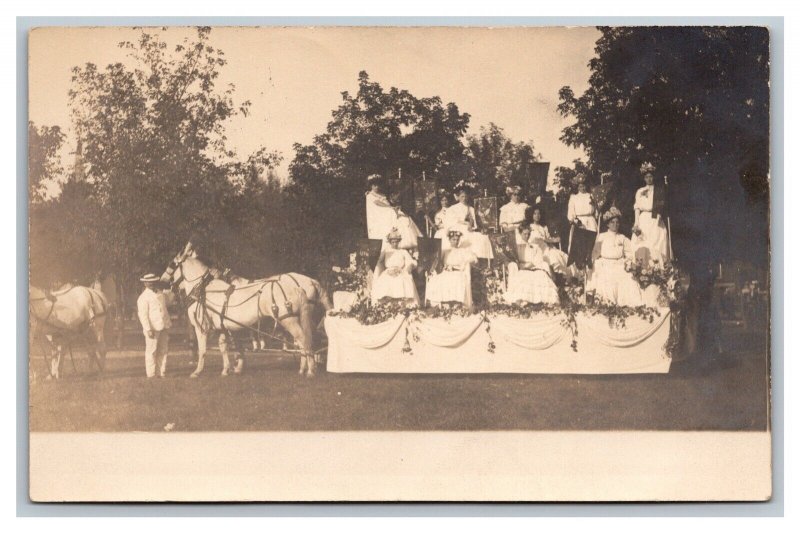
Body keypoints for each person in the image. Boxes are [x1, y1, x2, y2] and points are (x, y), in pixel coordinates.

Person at [590, 208, 643, 307]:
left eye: (617, 222)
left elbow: (629, 255)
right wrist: (593, 262)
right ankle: (608, 305)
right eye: (612, 222)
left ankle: (627, 305)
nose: (615, 225)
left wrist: (628, 263)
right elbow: (595, 253)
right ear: (608, 224)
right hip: (605, 264)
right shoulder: (601, 237)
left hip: (619, 264)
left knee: (628, 278)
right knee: (607, 279)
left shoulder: (622, 238)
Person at [505, 223, 560, 305]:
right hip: (520, 268)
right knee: (523, 276)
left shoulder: (534, 247)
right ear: (520, 233)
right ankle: (521, 299)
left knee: (541, 275)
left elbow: (537, 261)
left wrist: (529, 265)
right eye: (525, 234)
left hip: (533, 267)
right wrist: (520, 266)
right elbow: (513, 260)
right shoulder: (516, 247)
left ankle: (546, 300)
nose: (527, 236)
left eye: (528, 234)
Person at [364, 174, 422, 250]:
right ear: (371, 186)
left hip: (386, 210)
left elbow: (387, 203)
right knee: (392, 213)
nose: (376, 187)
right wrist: (390, 207)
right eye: (374, 185)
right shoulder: (370, 195)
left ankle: (406, 240)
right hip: (379, 213)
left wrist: (393, 207)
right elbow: (377, 203)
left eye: (378, 185)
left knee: (402, 216)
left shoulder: (381, 194)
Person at [425, 229, 478, 307]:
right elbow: (436, 260)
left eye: (457, 239)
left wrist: (465, 262)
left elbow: (474, 259)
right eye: (453, 239)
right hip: (446, 272)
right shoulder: (445, 251)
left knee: (455, 280)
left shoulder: (462, 251)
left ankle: (456, 303)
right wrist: (431, 268)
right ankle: (444, 303)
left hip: (458, 273)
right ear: (449, 240)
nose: (456, 241)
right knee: (438, 279)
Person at [439, 183, 494, 259]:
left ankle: (479, 258)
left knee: (482, 237)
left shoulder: (471, 208)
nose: (464, 198)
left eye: (465, 196)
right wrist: (465, 223)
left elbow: (475, 222)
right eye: (462, 196)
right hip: (457, 228)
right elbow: (450, 221)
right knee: (465, 237)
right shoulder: (453, 208)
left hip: (470, 229)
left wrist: (472, 225)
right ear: (458, 197)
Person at [632, 161, 670, 264]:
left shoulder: (659, 190)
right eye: (647, 177)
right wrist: (636, 223)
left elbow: (663, 205)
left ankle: (659, 268)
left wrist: (660, 215)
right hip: (643, 219)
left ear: (653, 177)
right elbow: (637, 207)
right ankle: (642, 268)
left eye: (651, 176)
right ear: (644, 178)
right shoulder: (640, 191)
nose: (649, 179)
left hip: (655, 218)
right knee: (643, 242)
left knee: (657, 241)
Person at [371, 228, 421, 305]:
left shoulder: (403, 251)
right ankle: (388, 304)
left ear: (398, 242)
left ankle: (400, 303)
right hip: (388, 271)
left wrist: (410, 266)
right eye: (392, 242)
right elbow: (379, 261)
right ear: (390, 242)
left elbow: (411, 261)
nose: (394, 244)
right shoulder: (386, 251)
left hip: (400, 271)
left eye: (396, 242)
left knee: (401, 281)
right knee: (385, 281)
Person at [137, 273, 172, 378]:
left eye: (153, 282)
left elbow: (167, 305)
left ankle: (161, 372)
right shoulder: (143, 297)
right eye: (149, 282)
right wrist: (148, 329)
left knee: (163, 350)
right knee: (151, 351)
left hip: (164, 325)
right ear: (145, 283)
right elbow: (143, 315)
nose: (151, 284)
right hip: (152, 327)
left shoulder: (160, 293)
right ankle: (151, 374)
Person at [529, 206, 573, 277]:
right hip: (536, 249)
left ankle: (561, 277)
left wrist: (555, 239)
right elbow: (539, 238)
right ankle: (555, 277)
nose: (537, 216)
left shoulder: (543, 227)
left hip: (546, 247)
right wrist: (552, 240)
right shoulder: (530, 227)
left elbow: (548, 238)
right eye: (535, 214)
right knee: (553, 257)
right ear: (531, 215)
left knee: (558, 255)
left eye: (539, 214)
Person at [567, 174, 598, 254]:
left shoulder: (591, 195)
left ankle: (591, 262)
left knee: (592, 243)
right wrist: (575, 221)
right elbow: (571, 212)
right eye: (580, 186)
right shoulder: (574, 197)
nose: (582, 188)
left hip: (591, 221)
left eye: (584, 186)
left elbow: (596, 210)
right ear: (577, 187)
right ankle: (578, 264)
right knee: (579, 244)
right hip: (579, 222)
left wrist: (598, 211)